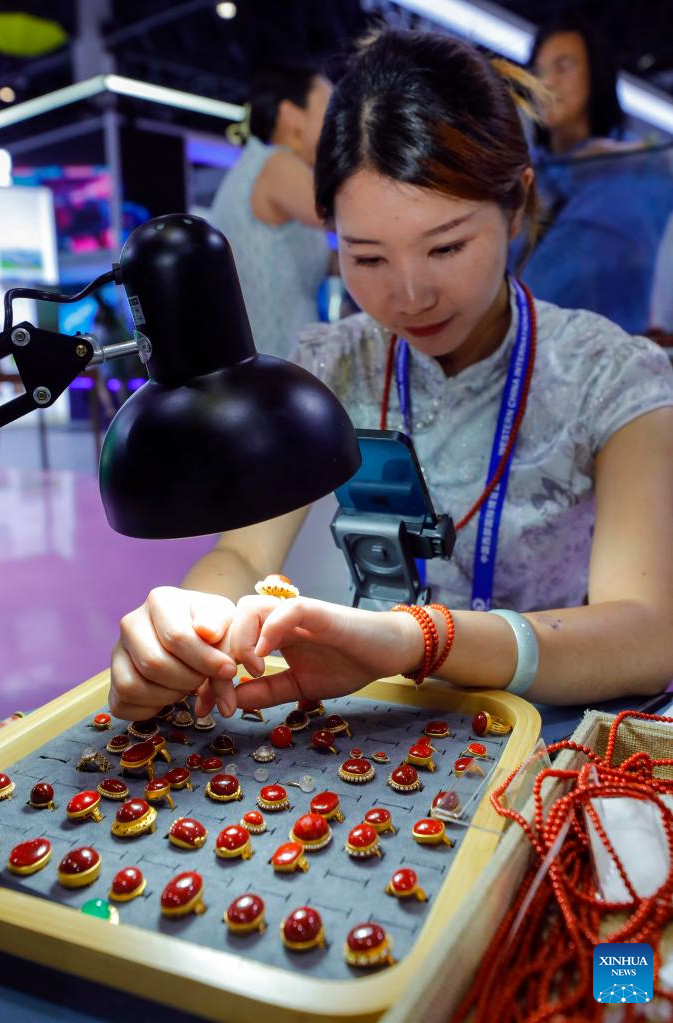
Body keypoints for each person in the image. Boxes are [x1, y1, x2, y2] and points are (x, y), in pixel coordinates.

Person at [108, 29, 673, 723]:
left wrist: (421, 639)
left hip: (547, 744)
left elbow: (648, 632)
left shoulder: (610, 374)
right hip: (376, 740)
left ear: (517, 204)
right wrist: (187, 625)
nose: (410, 296)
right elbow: (244, 557)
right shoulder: (331, 363)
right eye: (368, 257)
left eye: (447, 246)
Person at [516, 14, 673, 333]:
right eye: (538, 71)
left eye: (563, 66)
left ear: (596, 73)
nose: (547, 82)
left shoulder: (640, 169)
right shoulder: (520, 173)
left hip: (604, 347)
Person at [208, 64, 333, 359]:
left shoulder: (255, 164)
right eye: (329, 109)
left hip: (266, 359)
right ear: (291, 115)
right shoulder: (277, 164)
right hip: (278, 360)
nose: (338, 122)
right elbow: (352, 216)